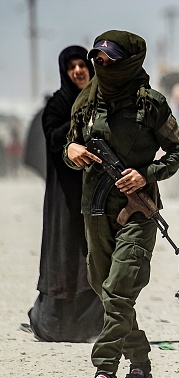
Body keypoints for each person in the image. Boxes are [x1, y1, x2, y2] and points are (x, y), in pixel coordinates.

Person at [64, 30, 179, 378]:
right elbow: (70, 146)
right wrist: (72, 151)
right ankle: (140, 359)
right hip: (96, 209)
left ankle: (105, 368)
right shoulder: (86, 103)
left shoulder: (151, 104)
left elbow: (178, 151)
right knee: (103, 289)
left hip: (137, 211)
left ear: (129, 62)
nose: (101, 66)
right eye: (97, 60)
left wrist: (145, 174)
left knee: (118, 291)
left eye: (109, 61)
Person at [23, 45, 104, 342]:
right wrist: (76, 132)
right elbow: (53, 136)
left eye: (81, 65)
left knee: (95, 256)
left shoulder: (103, 100)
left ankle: (93, 325)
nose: (78, 71)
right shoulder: (58, 104)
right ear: (65, 72)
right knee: (64, 254)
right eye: (71, 67)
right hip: (65, 198)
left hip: (97, 194)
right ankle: (52, 324)